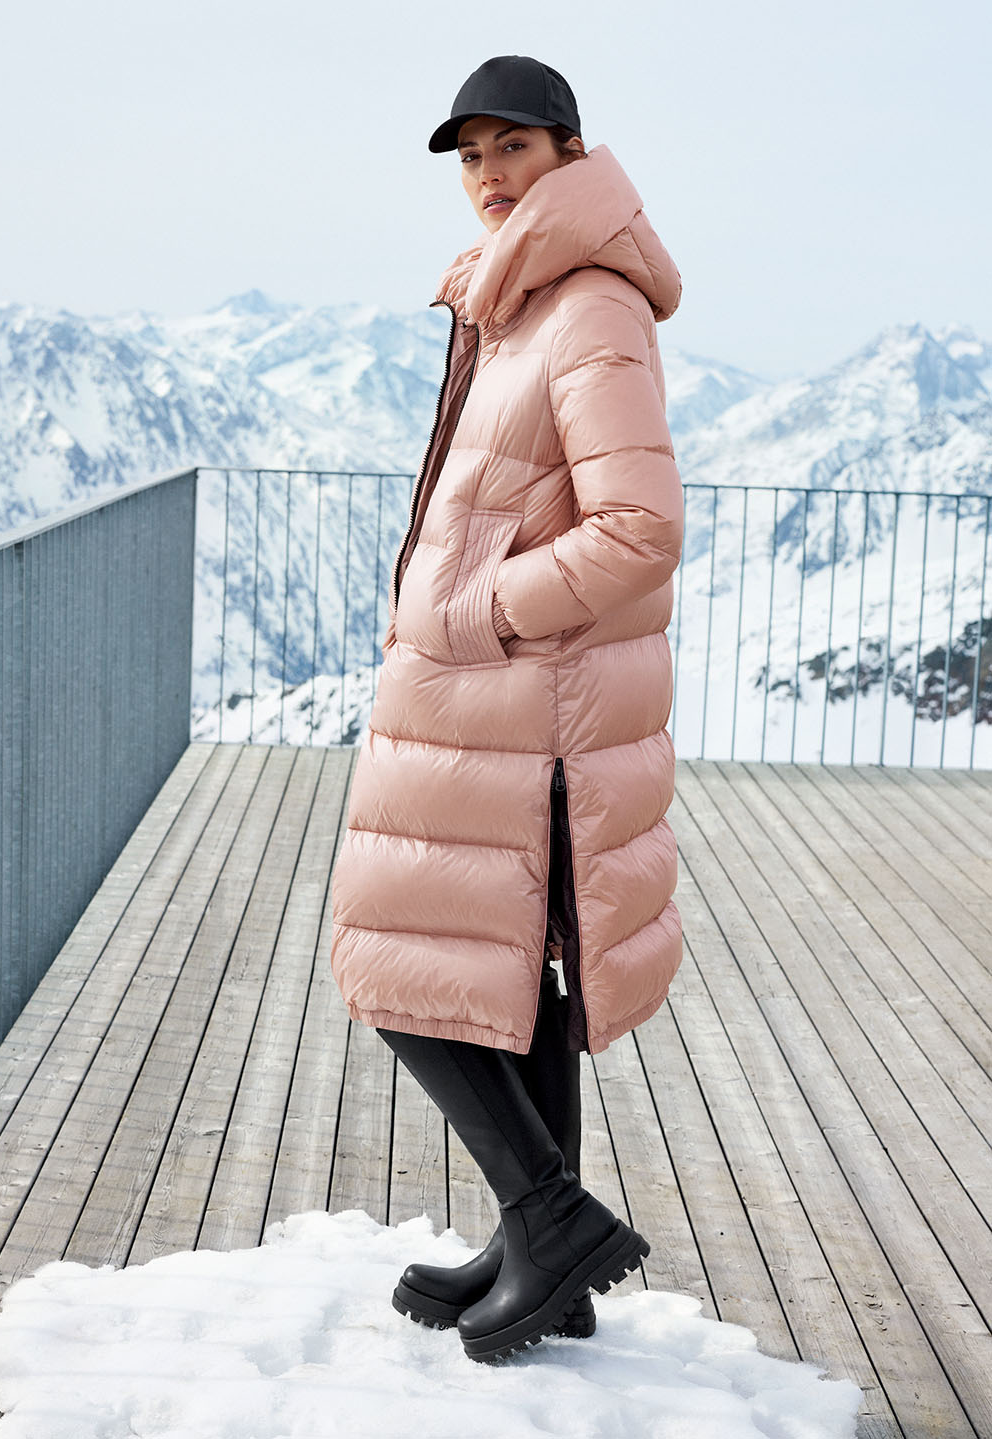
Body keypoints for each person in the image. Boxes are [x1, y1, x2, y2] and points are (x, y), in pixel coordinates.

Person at [329, 53, 685, 1363]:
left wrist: (477, 607)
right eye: (470, 155)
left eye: (512, 148)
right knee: (505, 979)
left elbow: (639, 528)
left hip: (517, 694)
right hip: (486, 695)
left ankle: (550, 1217)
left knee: (393, 958)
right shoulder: (518, 294)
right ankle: (547, 1255)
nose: (486, 174)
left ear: (570, 154)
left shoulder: (585, 303)